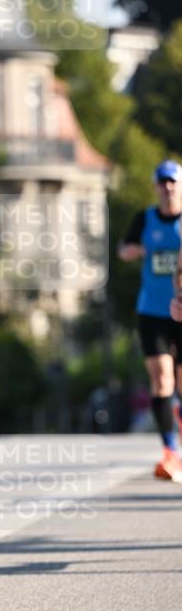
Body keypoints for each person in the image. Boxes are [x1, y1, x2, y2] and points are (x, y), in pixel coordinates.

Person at [119, 159, 182, 482]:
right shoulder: (145, 219)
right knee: (162, 381)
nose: (168, 187)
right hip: (152, 310)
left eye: (172, 181)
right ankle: (170, 453)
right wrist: (132, 251)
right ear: (156, 185)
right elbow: (123, 248)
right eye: (162, 181)